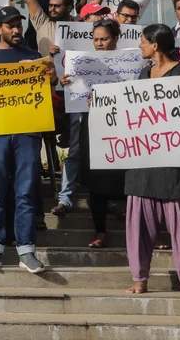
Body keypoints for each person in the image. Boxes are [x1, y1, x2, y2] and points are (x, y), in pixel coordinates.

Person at [125, 24, 180, 299]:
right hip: (142, 159)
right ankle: (140, 277)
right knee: (138, 224)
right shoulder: (142, 74)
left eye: (143, 41)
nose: (140, 46)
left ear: (155, 45)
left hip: (172, 160)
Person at [0, 7, 53, 274]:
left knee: (26, 192)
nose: (16, 29)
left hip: (27, 134)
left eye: (18, 24)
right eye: (10, 25)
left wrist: (50, 79)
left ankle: (26, 249)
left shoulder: (34, 58)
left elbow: (45, 95)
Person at [59, 19, 126, 248]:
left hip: (122, 125)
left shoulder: (130, 63)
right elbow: (73, 89)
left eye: (104, 39)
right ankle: (100, 230)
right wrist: (66, 81)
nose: (99, 44)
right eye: (96, 39)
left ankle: (136, 229)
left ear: (115, 39)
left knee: (124, 176)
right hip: (92, 124)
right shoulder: (82, 63)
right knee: (96, 179)